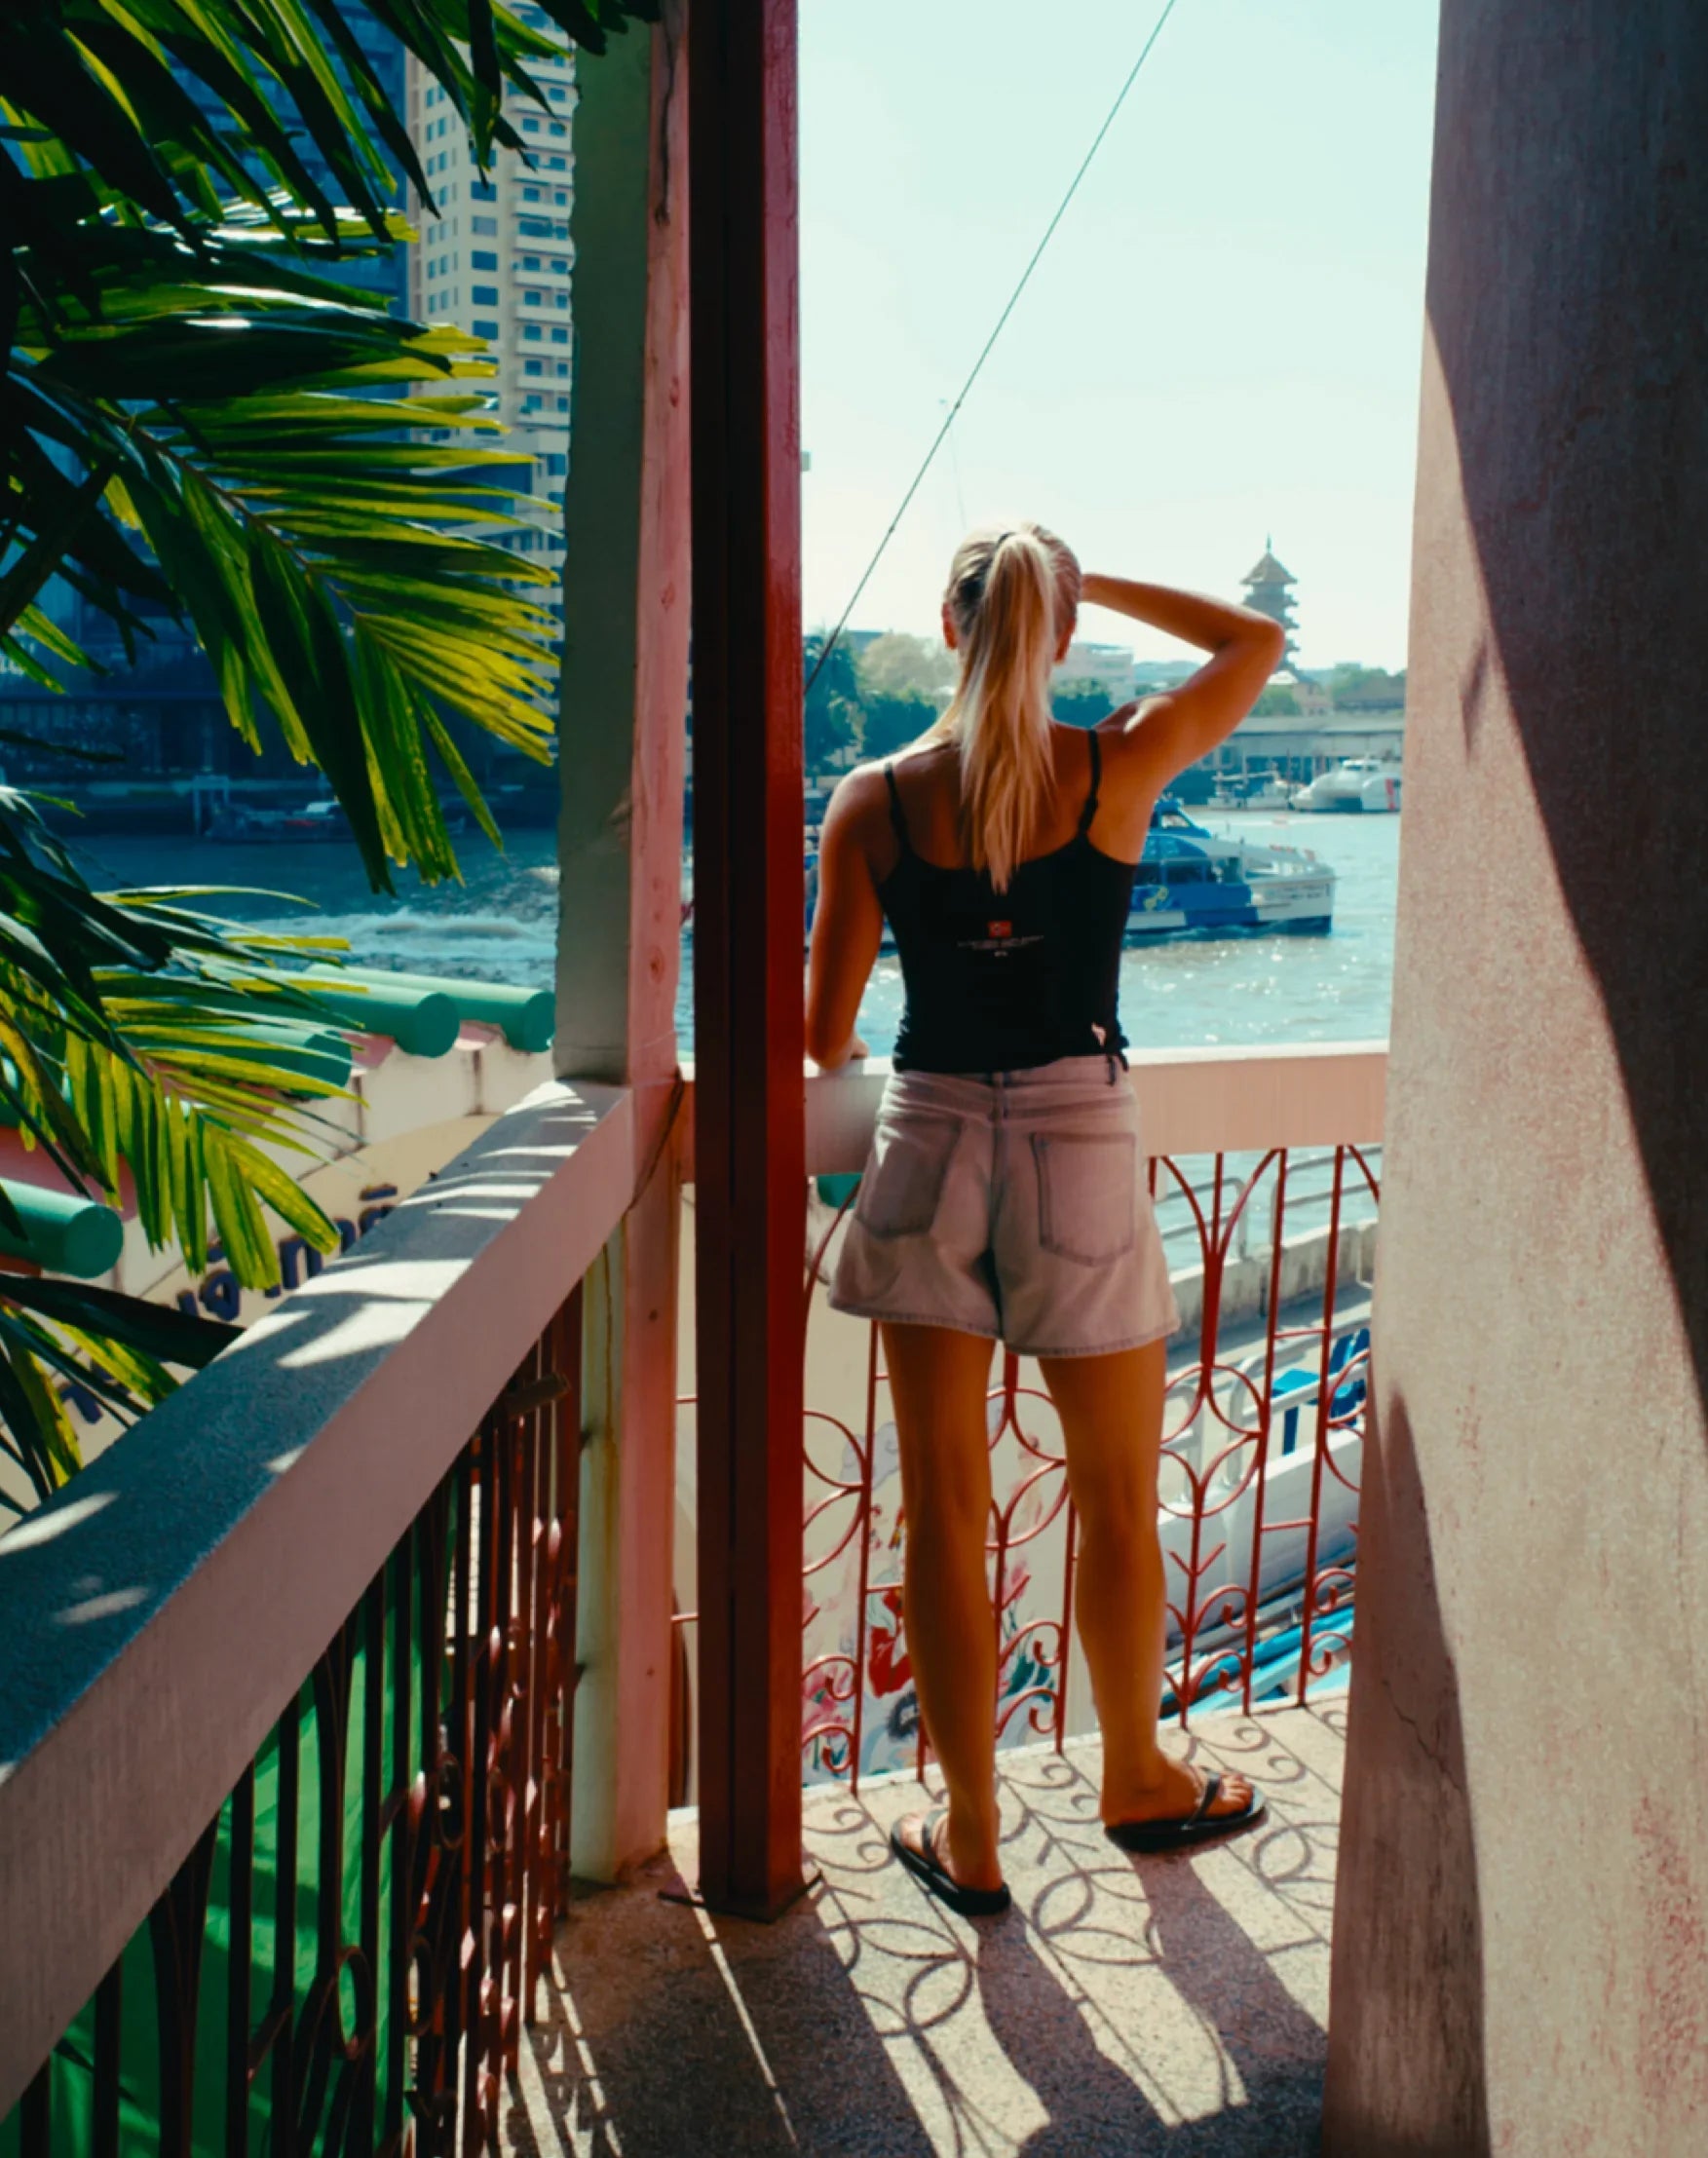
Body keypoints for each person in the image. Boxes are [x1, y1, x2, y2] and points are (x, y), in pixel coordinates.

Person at [804, 523, 1284, 1917]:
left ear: (950, 631)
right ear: (1056, 633)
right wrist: (1084, 581)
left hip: (930, 1134)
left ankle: (968, 1832)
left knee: (944, 1512)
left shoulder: (876, 799)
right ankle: (1133, 1773)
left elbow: (823, 1029)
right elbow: (1251, 645)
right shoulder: (1115, 762)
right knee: (1116, 1501)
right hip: (1078, 1139)